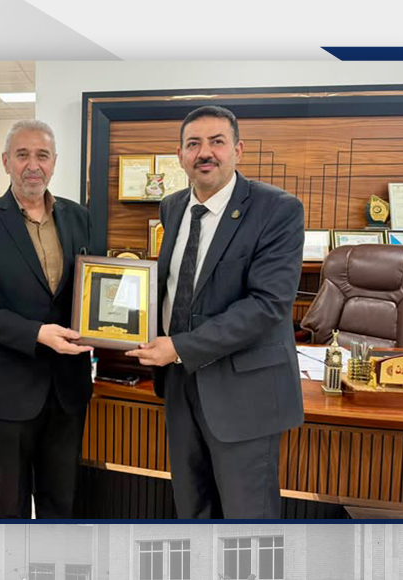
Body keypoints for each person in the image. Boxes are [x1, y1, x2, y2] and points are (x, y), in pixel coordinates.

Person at [126, 106, 304, 519]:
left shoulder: (277, 210)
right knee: (192, 509)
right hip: (180, 387)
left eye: (217, 142)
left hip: (243, 393)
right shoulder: (172, 207)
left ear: (238, 150)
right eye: (193, 144)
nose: (205, 153)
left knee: (247, 519)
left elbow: (267, 305)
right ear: (180, 156)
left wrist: (180, 347)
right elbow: (171, 287)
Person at [0, 119, 93, 519]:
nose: (33, 165)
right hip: (9, 388)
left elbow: (92, 288)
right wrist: (37, 334)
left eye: (42, 155)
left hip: (67, 388)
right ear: (6, 161)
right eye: (23, 155)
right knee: (11, 504)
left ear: (54, 162)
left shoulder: (79, 217)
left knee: (60, 499)